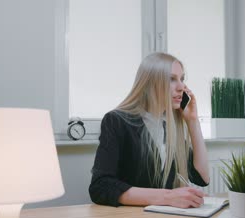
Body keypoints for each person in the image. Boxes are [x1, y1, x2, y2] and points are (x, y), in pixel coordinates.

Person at [89, 52, 210, 208]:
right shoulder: (116, 121)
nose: (181, 87)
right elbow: (100, 186)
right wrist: (168, 197)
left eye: (182, 79)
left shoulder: (169, 127)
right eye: (171, 79)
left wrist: (193, 121)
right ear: (150, 83)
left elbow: (203, 178)